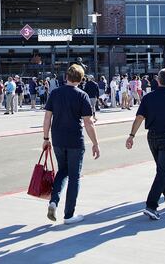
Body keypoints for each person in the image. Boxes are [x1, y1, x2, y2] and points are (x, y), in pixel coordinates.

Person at [125, 68, 165, 220]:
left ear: (158, 80)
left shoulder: (148, 97)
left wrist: (131, 135)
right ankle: (151, 205)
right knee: (162, 171)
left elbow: (139, 117)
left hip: (152, 137)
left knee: (162, 169)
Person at [43, 64, 100, 224]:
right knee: (74, 176)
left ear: (66, 77)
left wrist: (46, 139)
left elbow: (47, 118)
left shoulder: (55, 93)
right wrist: (95, 143)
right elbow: (89, 122)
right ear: (81, 80)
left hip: (58, 138)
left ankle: (54, 201)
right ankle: (69, 215)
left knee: (62, 171)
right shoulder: (82, 95)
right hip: (75, 139)